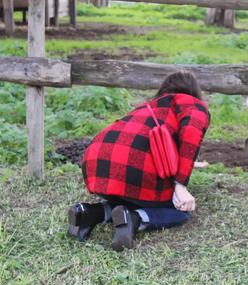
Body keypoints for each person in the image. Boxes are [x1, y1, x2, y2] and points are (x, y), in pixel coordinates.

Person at [67, 71, 210, 251]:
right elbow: (191, 136)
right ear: (195, 92)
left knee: (131, 198)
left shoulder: (150, 106)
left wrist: (189, 165)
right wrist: (180, 187)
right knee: (179, 212)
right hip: (133, 169)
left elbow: (145, 143)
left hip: (96, 162)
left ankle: (89, 213)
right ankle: (136, 218)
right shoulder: (193, 105)